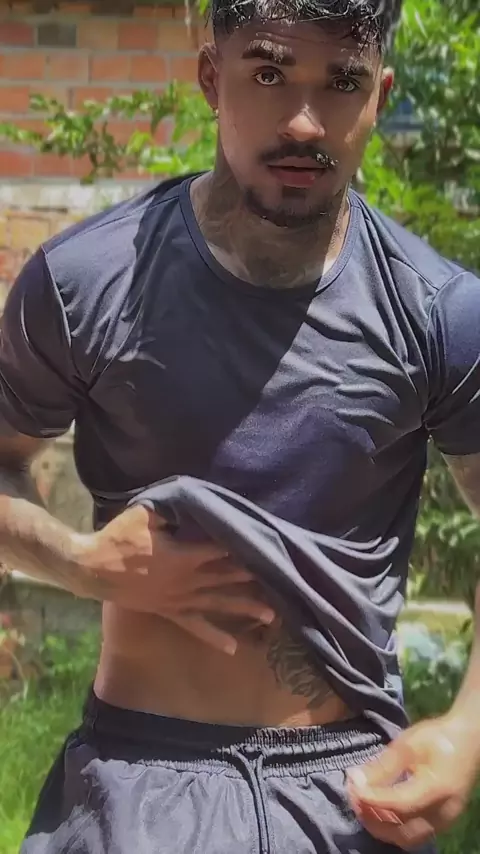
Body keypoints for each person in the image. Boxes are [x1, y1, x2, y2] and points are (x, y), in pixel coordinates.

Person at [1, 0, 480, 850]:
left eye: (342, 82)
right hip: (135, 788)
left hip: (350, 796)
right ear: (210, 78)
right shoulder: (84, 282)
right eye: (268, 73)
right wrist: (76, 562)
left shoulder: (437, 310)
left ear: (379, 96)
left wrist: (468, 730)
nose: (304, 121)